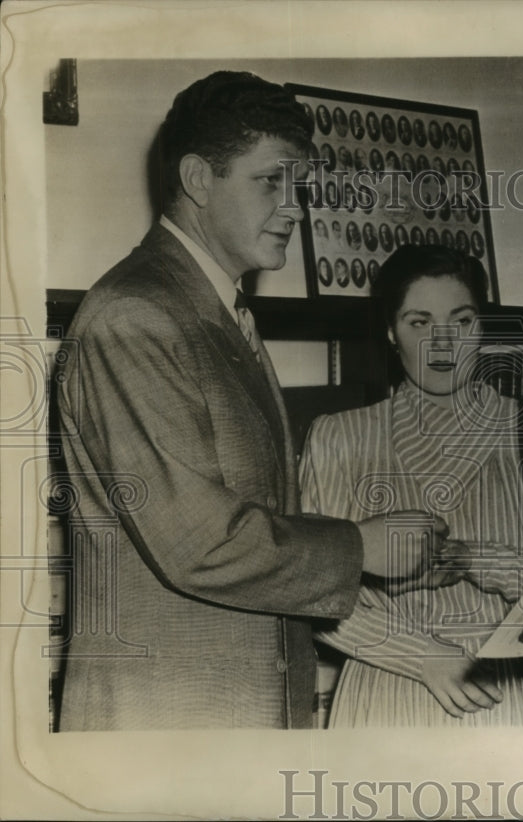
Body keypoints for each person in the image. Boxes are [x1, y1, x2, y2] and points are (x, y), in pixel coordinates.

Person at [56, 71, 448, 731]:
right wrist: (359, 547)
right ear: (198, 179)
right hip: (164, 731)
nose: (295, 206)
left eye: (300, 185)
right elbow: (199, 541)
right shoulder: (135, 314)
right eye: (272, 181)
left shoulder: (213, 308)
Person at [300, 245, 523, 727]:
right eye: (419, 322)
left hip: (500, 696)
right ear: (390, 332)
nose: (443, 345)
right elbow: (312, 592)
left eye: (461, 322)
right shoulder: (340, 436)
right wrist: (423, 655)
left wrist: (468, 558)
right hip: (384, 696)